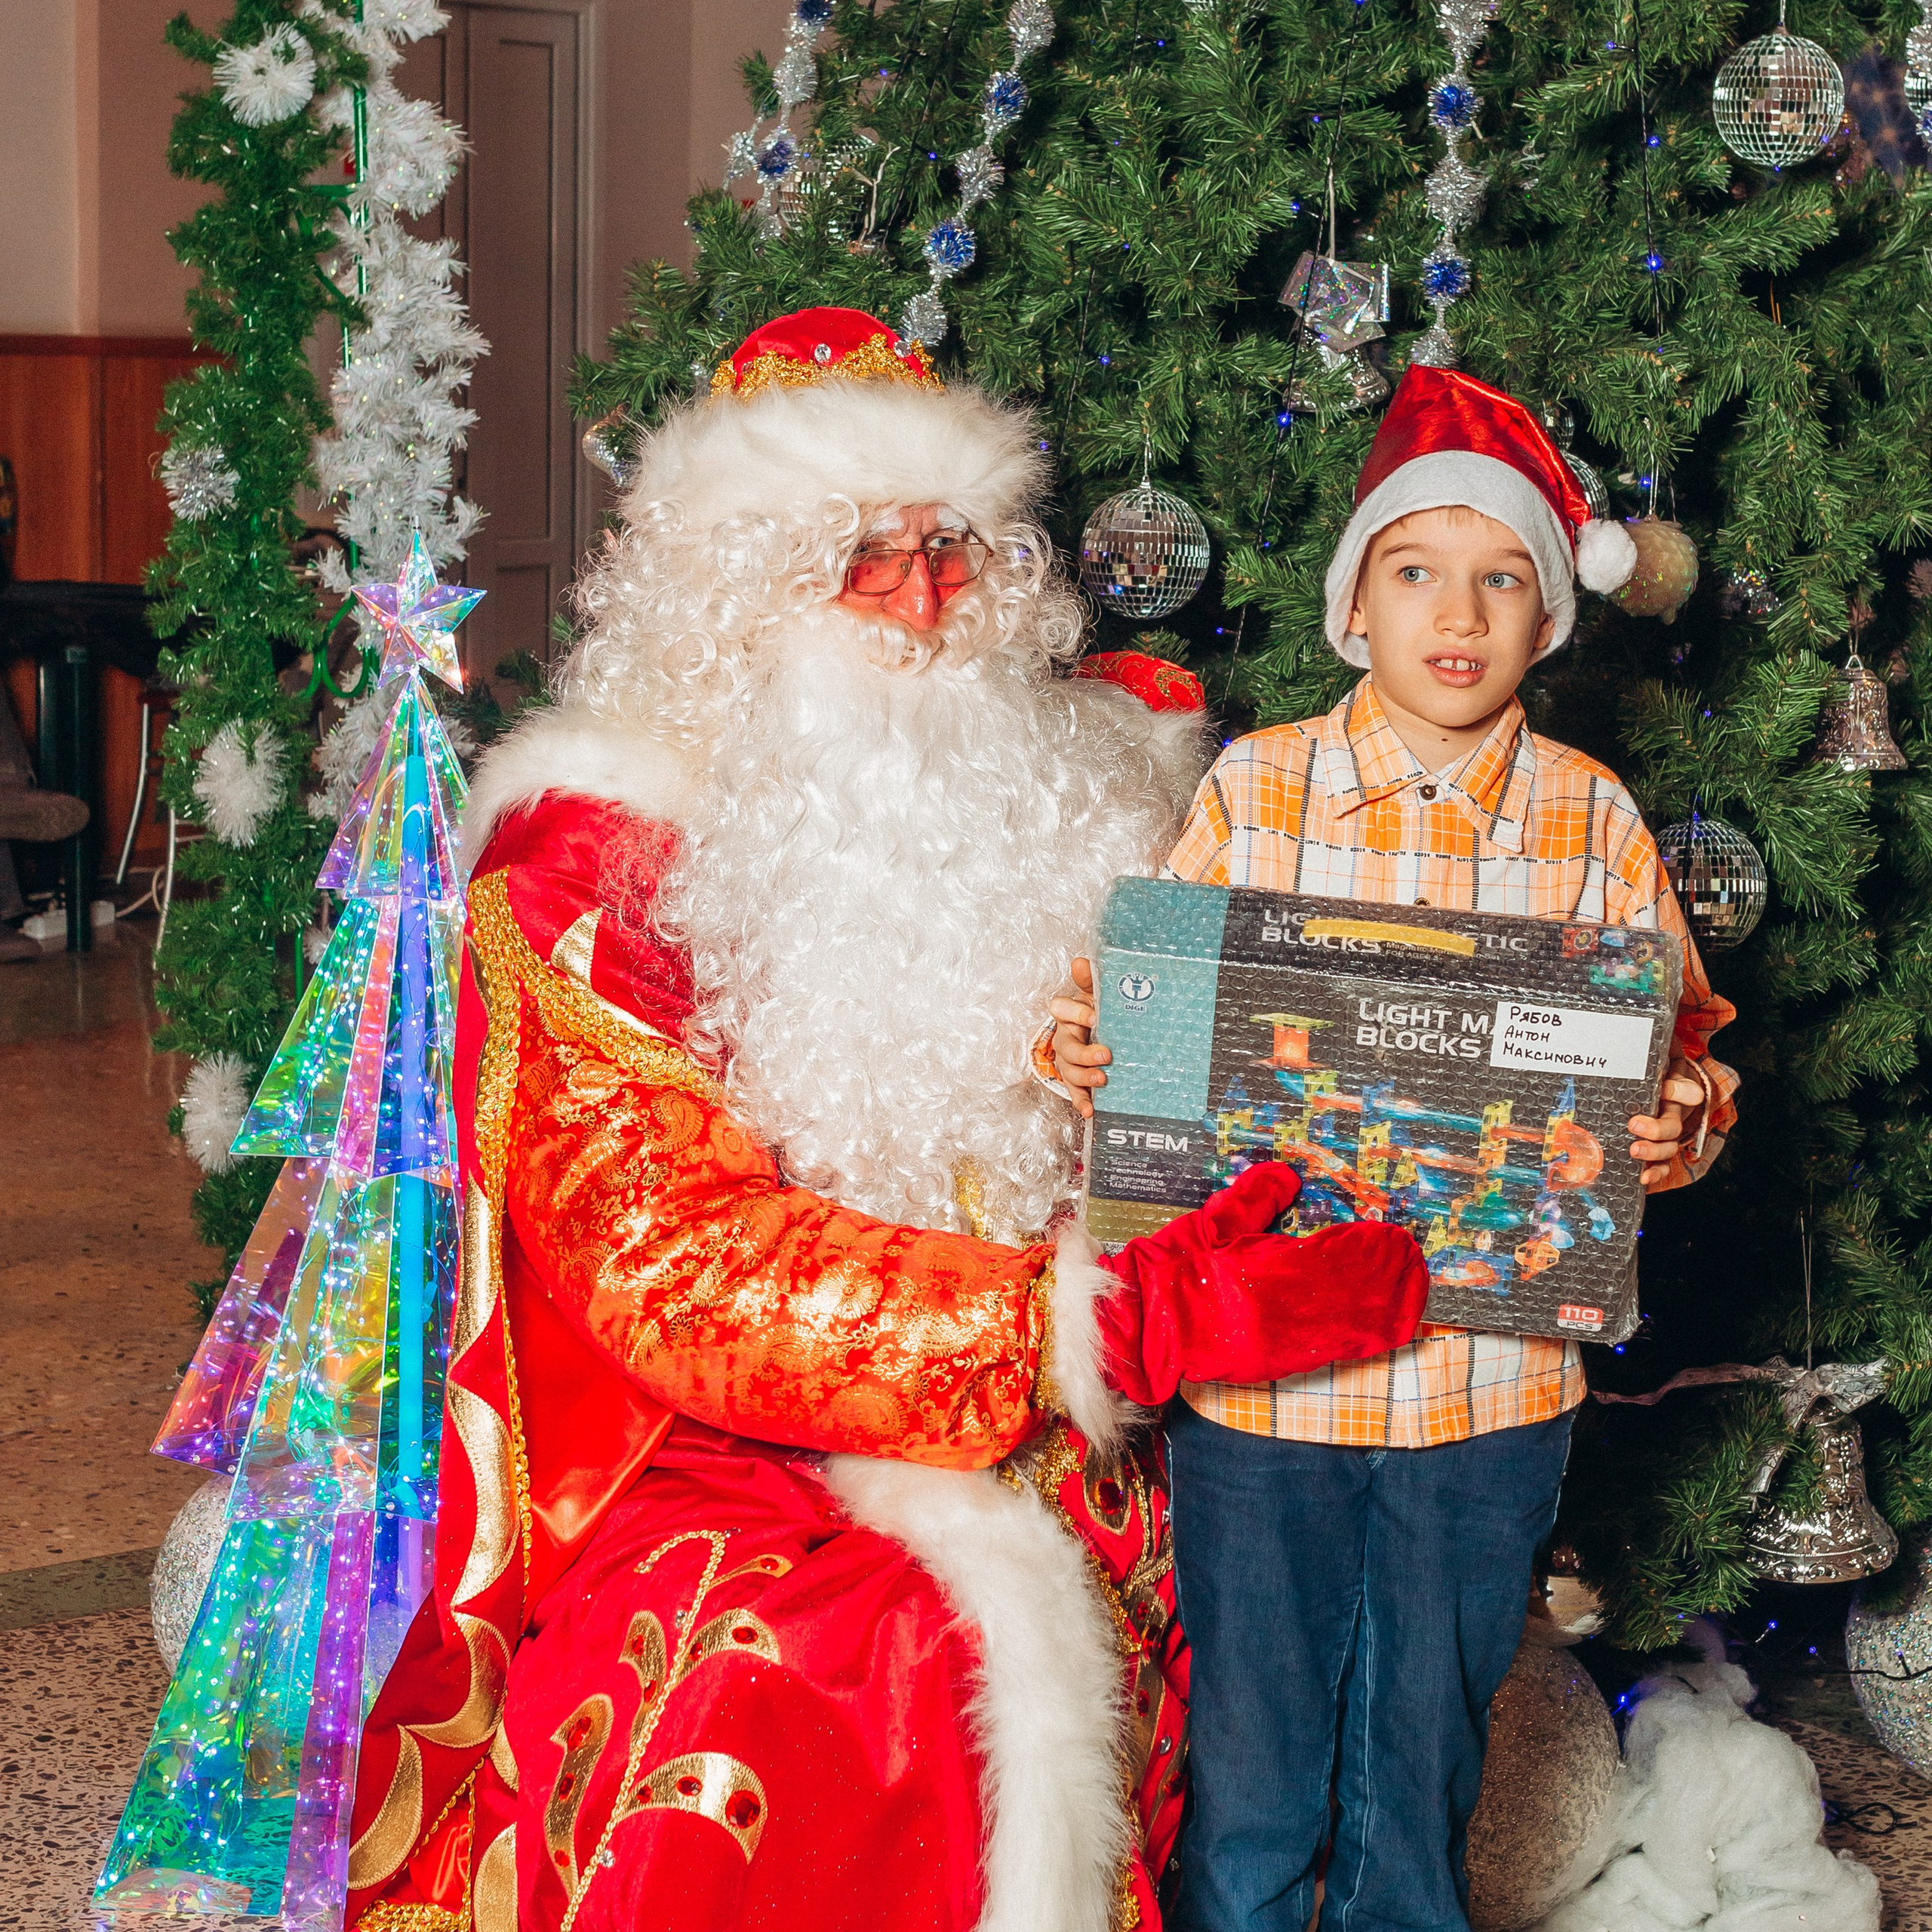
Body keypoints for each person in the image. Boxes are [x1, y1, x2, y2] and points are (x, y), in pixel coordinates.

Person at [343, 308, 1428, 1932]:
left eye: (949, 548)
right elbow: (661, 1255)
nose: (925, 603)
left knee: (1331, 1566)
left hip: (1111, 1377)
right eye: (861, 558)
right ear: (737, 588)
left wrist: (1629, 1096)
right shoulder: (588, 858)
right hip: (734, 1435)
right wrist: (1085, 1323)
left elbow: (1292, 1040)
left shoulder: (1110, 769)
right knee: (809, 1675)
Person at [1049, 366, 1741, 1932]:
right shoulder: (1255, 784)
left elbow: (1681, 1053)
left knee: (1420, 1759)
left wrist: (1671, 1120)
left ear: (1548, 620)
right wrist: (1089, 1050)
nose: (1460, 608)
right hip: (1265, 1375)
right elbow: (1139, 1013)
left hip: (1487, 1387)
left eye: (1504, 577)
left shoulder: (1589, 818)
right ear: (1350, 606)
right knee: (1252, 1758)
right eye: (1415, 568)